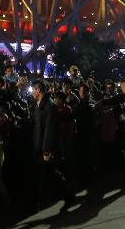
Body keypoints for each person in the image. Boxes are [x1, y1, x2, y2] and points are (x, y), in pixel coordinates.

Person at [31, 80, 76, 213]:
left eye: (34, 89)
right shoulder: (40, 105)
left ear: (39, 90)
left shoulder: (49, 106)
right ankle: (39, 201)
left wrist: (46, 151)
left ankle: (68, 197)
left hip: (45, 149)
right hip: (39, 147)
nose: (32, 92)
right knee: (46, 175)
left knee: (51, 174)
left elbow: (49, 130)